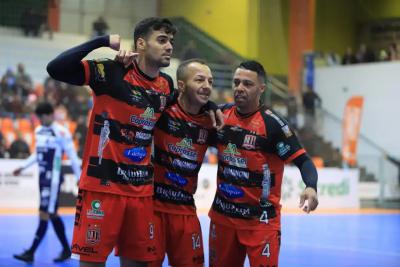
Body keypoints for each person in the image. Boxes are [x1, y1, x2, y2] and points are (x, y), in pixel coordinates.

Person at [208, 61, 319, 267]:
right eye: (236, 82)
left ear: (261, 89)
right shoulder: (220, 115)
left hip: (261, 222)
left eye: (247, 84)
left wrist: (311, 186)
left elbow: (303, 161)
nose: (239, 88)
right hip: (223, 219)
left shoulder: (273, 124)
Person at [149, 59, 216, 267]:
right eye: (199, 79)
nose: (207, 85)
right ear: (181, 85)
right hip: (152, 208)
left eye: (210, 81)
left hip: (185, 211)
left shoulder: (212, 121)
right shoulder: (161, 110)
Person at [13, 102, 81, 263]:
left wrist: (80, 177)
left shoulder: (62, 133)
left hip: (53, 180)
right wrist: (22, 167)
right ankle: (66, 249)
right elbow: (38, 154)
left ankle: (30, 252)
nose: (40, 120)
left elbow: (72, 156)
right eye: (39, 118)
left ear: (50, 115)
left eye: (42, 117)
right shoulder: (38, 130)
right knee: (52, 214)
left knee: (44, 213)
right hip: (42, 178)